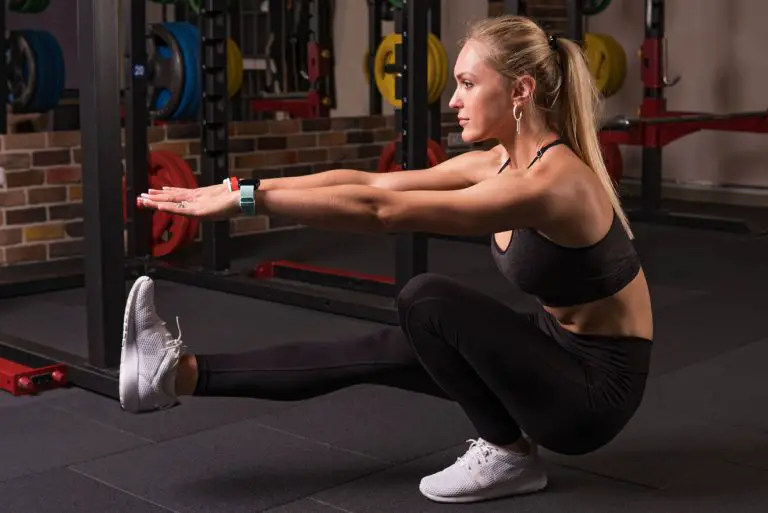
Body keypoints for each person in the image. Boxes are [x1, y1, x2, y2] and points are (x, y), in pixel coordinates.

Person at [120, 15, 653, 505]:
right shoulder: (497, 163)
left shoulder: (551, 185)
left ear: (520, 90)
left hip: (591, 396)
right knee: (378, 350)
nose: (453, 100)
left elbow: (382, 210)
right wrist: (244, 187)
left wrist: (247, 202)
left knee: (427, 301)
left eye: (468, 83)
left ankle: (509, 454)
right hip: (555, 352)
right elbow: (371, 181)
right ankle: (172, 375)